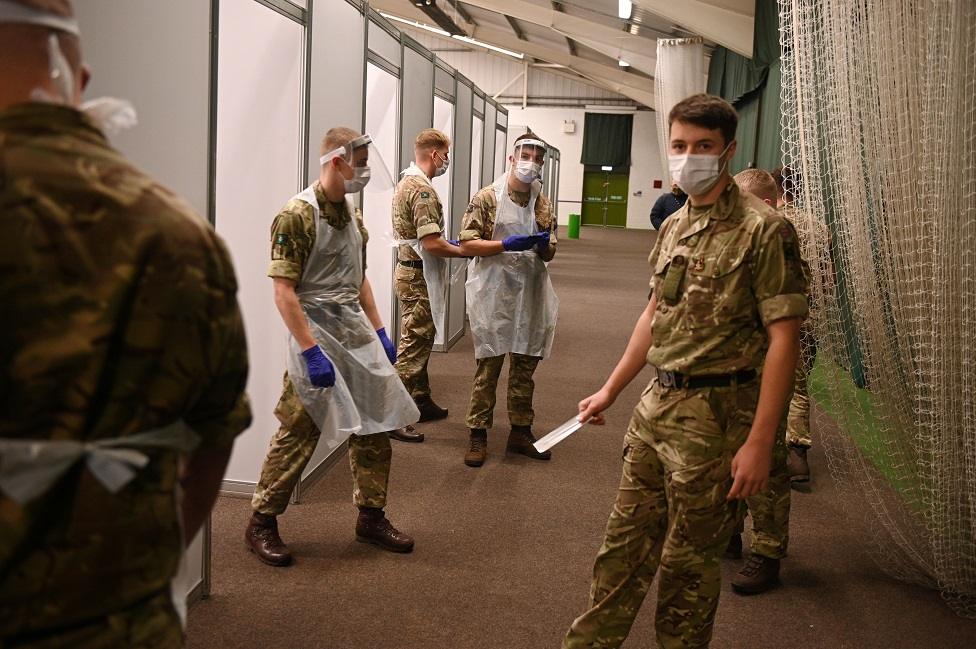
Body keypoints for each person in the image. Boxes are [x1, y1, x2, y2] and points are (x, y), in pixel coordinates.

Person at [0, 1, 251, 646]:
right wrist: (146, 567)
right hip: (116, 619)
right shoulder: (178, 233)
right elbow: (215, 431)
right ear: (78, 82)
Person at [562, 94, 808, 648]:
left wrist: (761, 443)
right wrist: (610, 389)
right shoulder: (673, 224)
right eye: (679, 146)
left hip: (718, 422)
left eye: (703, 147)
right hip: (656, 410)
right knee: (620, 551)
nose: (688, 156)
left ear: (728, 151)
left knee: (687, 572)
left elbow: (784, 339)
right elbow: (654, 314)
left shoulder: (764, 231)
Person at [245, 127, 419, 567]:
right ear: (336, 162)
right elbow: (284, 290)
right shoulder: (297, 215)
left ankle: (371, 515)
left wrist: (380, 330)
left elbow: (357, 278)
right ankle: (261, 521)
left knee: (377, 424)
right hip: (315, 334)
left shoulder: (352, 217)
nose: (362, 172)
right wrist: (310, 351)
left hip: (354, 333)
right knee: (300, 430)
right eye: (358, 163)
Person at [457, 133, 559, 468]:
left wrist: (543, 245)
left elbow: (550, 251)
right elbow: (467, 244)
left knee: (524, 367)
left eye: (537, 157)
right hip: (494, 291)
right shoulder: (487, 198)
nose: (531, 161)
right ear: (512, 158)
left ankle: (520, 431)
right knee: (489, 364)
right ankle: (478, 432)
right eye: (525, 154)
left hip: (529, 292)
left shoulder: (541, 202)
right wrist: (504, 245)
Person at [724, 168, 802, 594]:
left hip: (764, 370)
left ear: (767, 206)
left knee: (767, 462)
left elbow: (785, 327)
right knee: (727, 454)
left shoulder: (780, 242)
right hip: (729, 371)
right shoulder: (741, 238)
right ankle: (731, 531)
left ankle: (768, 550)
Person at [390, 128, 465, 443]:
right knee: (413, 347)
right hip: (418, 276)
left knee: (419, 340)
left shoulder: (406, 181)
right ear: (434, 154)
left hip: (410, 272)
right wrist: (465, 250)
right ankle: (391, 415)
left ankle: (420, 399)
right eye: (446, 155)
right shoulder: (422, 191)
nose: (446, 161)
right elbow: (431, 243)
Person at [772, 165, 827, 486]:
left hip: (770, 322)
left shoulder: (768, 223)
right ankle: (797, 456)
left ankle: (768, 449)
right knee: (798, 388)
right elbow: (828, 280)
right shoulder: (820, 228)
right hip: (808, 321)